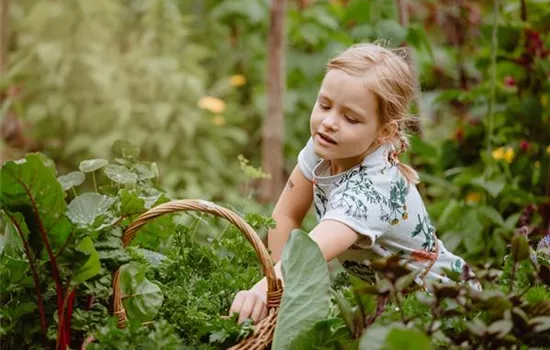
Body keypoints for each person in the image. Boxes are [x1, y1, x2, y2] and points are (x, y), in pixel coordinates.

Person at [229, 42, 478, 325]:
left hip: (444, 307)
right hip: (391, 304)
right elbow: (286, 215)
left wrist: (265, 291)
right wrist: (274, 289)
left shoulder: (372, 191)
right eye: (324, 105)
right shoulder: (326, 146)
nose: (329, 123)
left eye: (350, 118)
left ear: (384, 131)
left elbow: (309, 254)